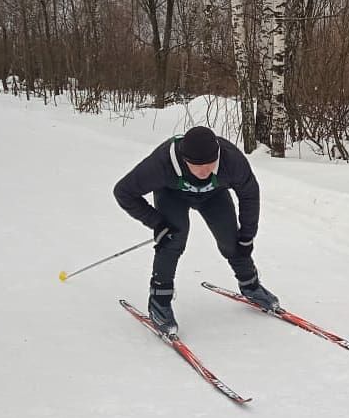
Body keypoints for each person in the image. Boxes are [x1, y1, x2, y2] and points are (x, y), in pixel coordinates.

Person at [113, 126, 279, 336]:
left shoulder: (231, 160)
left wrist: (248, 235)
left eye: (209, 164)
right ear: (184, 159)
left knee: (232, 240)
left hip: (214, 195)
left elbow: (249, 195)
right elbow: (123, 192)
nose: (203, 171)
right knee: (173, 239)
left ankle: (251, 286)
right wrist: (157, 223)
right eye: (196, 165)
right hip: (172, 195)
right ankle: (159, 302)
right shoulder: (163, 162)